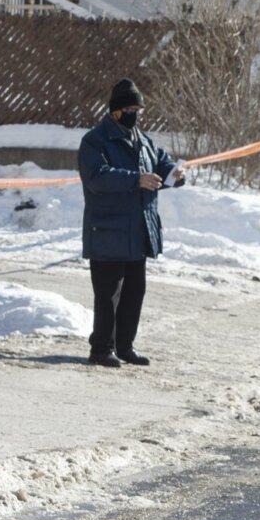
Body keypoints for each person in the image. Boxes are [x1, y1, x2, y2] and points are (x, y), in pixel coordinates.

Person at [78, 78, 185, 368]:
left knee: (134, 292)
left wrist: (175, 174)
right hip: (109, 231)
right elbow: (97, 177)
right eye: (131, 108)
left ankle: (125, 346)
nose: (136, 114)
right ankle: (101, 348)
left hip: (138, 231)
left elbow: (162, 164)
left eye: (139, 109)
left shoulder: (143, 140)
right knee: (108, 295)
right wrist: (136, 179)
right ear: (116, 111)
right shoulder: (95, 141)